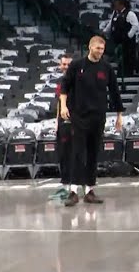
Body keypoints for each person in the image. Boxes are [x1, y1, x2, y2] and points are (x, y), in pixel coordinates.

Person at [59, 35, 125, 207]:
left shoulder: (106, 68)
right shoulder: (77, 66)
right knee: (78, 153)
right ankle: (73, 191)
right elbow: (64, 86)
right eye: (98, 48)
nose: (100, 52)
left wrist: (119, 114)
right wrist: (64, 107)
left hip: (98, 117)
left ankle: (89, 190)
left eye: (102, 49)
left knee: (93, 153)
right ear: (90, 47)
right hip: (79, 116)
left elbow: (115, 91)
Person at [48, 53, 74, 201]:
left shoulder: (78, 81)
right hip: (62, 123)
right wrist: (56, 122)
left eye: (68, 64)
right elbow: (59, 103)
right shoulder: (59, 82)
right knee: (63, 154)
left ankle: (77, 187)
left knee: (75, 154)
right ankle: (65, 186)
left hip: (75, 122)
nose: (66, 67)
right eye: (63, 64)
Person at [106, 0, 139, 77]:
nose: (115, 6)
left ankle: (128, 73)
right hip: (118, 40)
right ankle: (121, 73)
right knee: (120, 58)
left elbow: (135, 26)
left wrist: (129, 35)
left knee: (128, 58)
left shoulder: (130, 14)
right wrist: (105, 32)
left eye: (117, 4)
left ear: (122, 5)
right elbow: (110, 24)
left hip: (128, 42)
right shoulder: (115, 13)